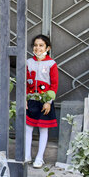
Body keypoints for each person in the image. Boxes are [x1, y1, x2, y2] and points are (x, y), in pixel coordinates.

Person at [25, 34, 58, 168]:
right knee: (28, 128)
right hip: (31, 100)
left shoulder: (51, 64)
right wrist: (25, 99)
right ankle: (27, 155)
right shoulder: (28, 62)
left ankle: (39, 158)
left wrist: (48, 102)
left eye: (41, 45)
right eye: (36, 45)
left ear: (47, 48)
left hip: (44, 102)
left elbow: (54, 85)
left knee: (43, 129)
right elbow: (25, 83)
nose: (38, 48)